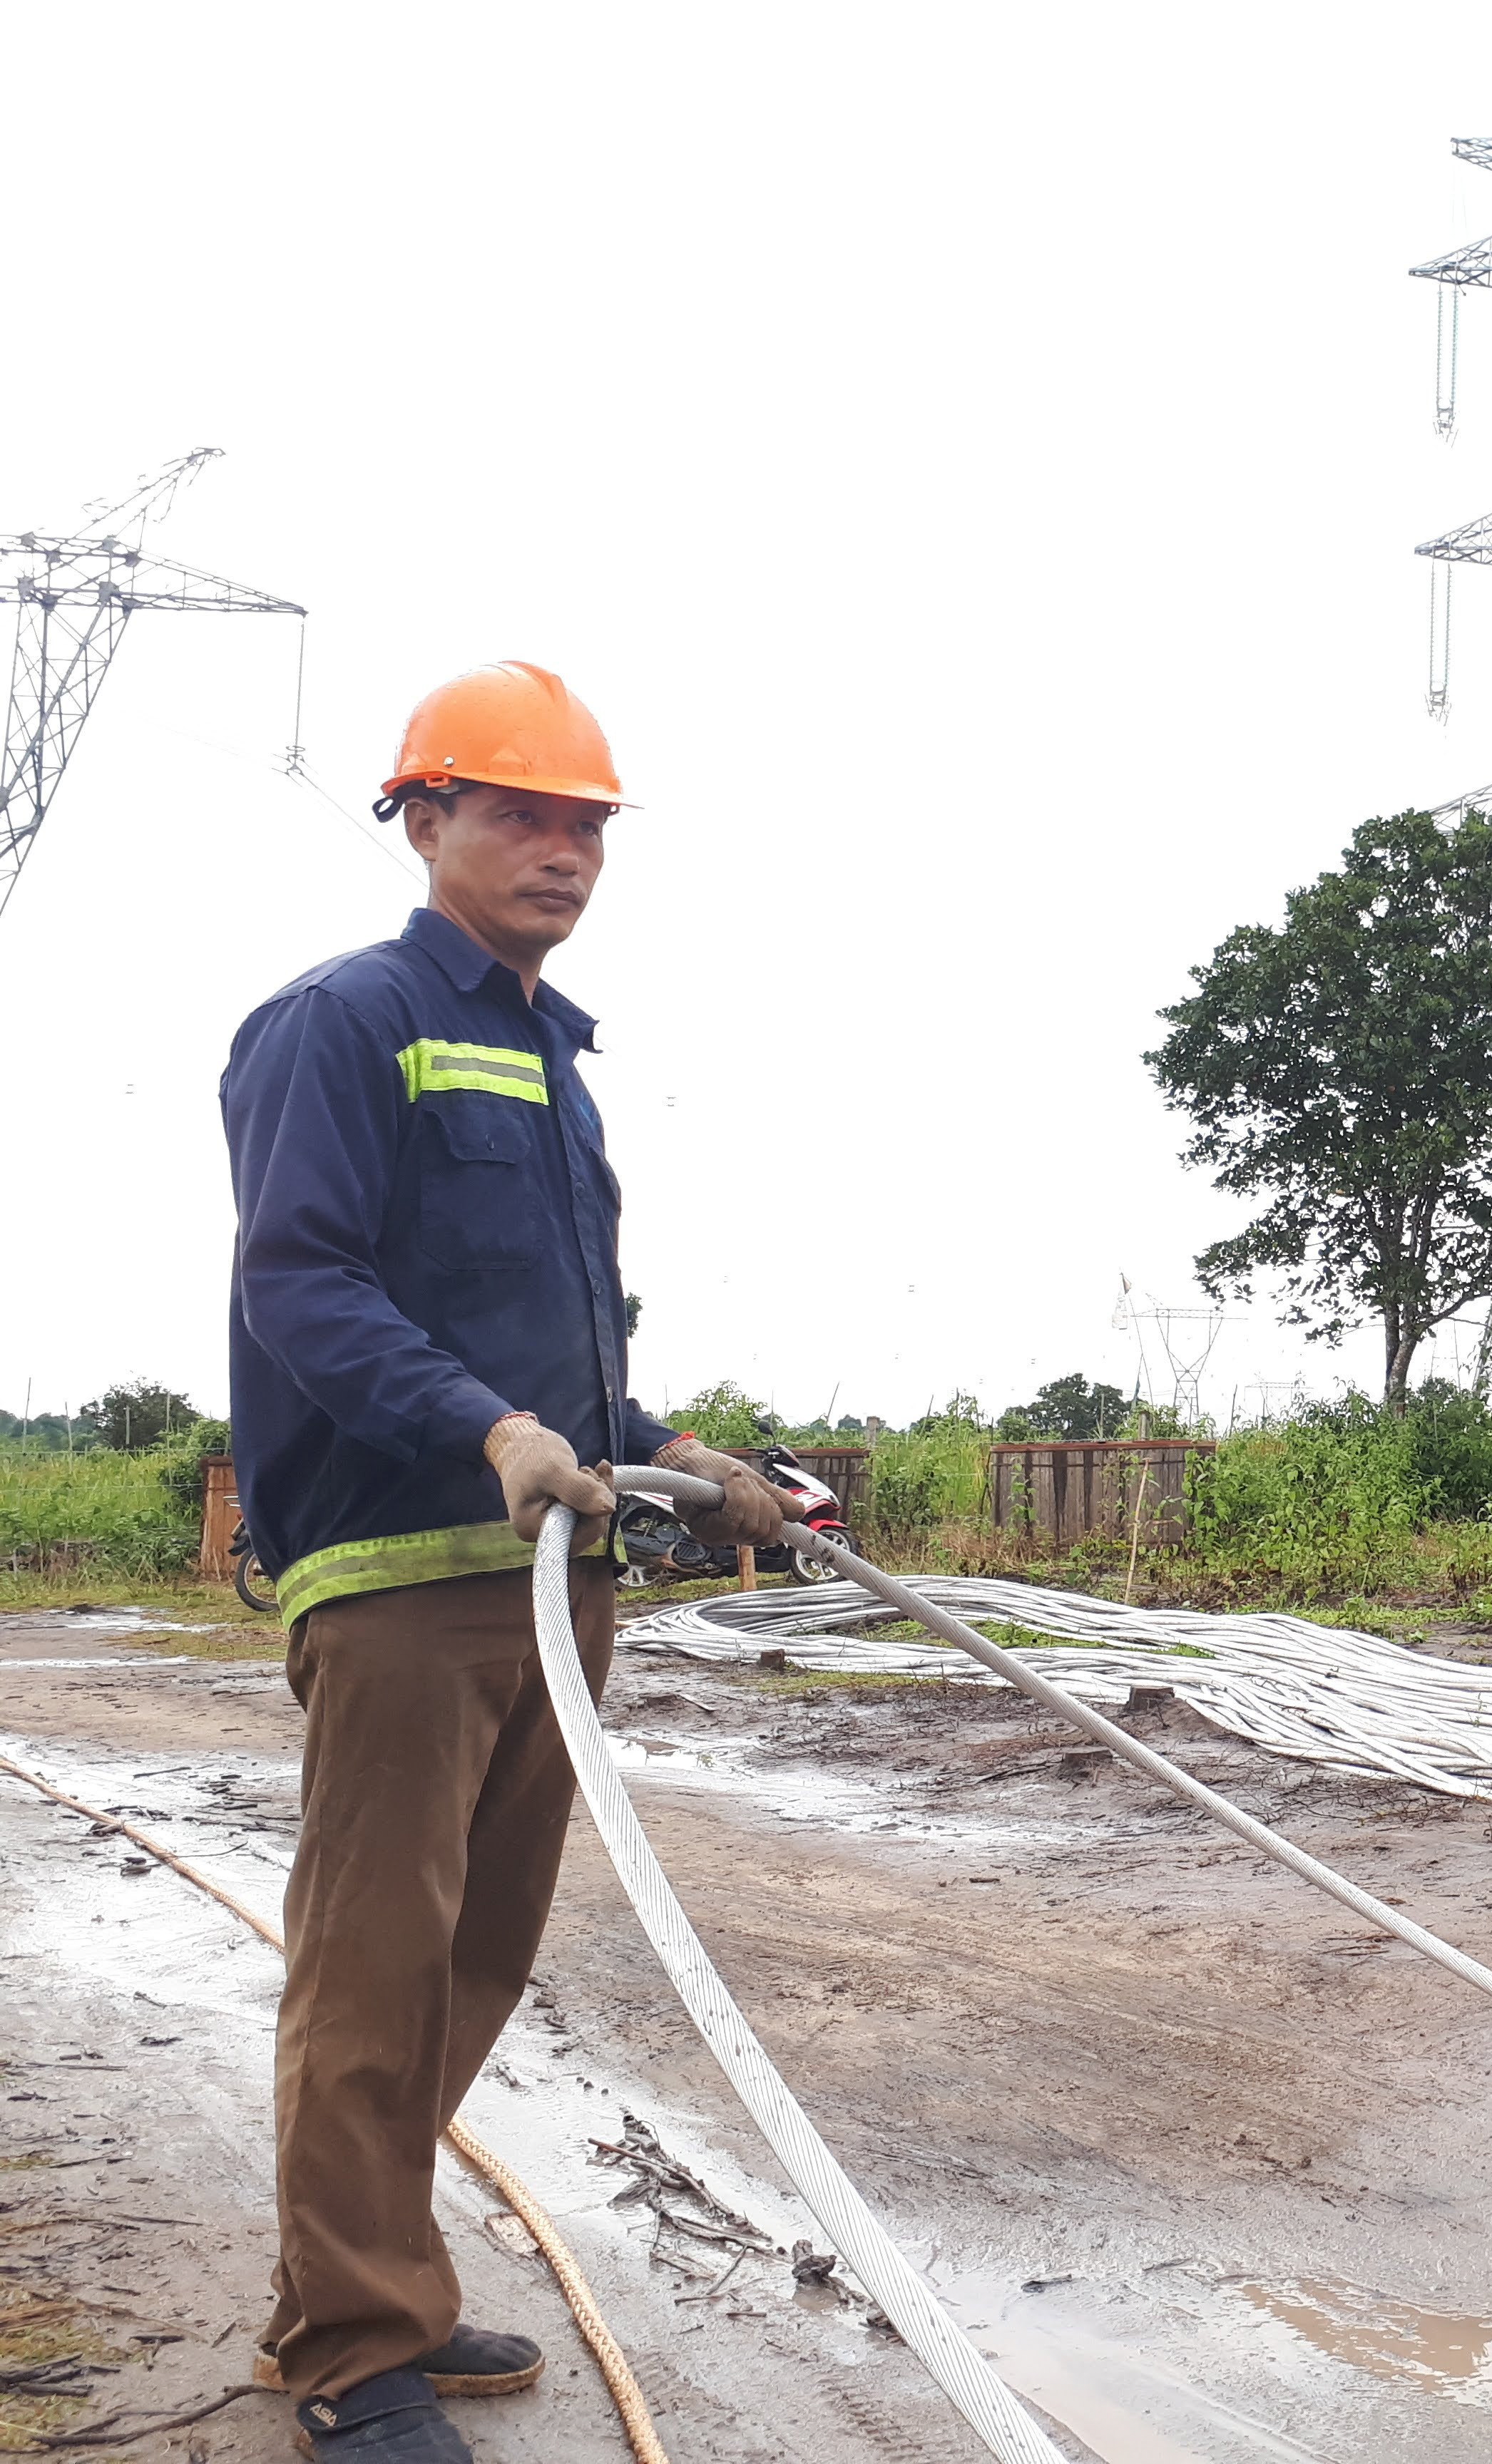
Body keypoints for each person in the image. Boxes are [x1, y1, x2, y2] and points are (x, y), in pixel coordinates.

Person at [220, 661, 784, 2461]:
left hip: (555, 1582)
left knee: (475, 1963)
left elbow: (559, 1349)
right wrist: (483, 1427)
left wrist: (683, 1454)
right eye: (521, 813)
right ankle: (352, 2354)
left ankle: (365, 2278)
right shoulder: (341, 1020)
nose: (562, 850)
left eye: (586, 823)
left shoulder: (556, 1059)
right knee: (378, 1966)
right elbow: (304, 1281)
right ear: (426, 818)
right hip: (403, 1576)